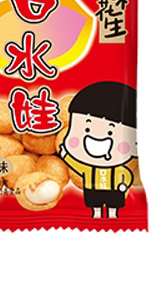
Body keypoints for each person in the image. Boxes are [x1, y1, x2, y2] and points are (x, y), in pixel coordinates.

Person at [59, 81, 138, 218]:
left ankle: (112, 214)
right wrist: (65, 155)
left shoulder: (118, 169)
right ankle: (96, 213)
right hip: (92, 190)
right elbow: (77, 165)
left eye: (110, 132)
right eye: (87, 129)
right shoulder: (88, 169)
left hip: (113, 190)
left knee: (114, 202)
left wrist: (123, 185)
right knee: (94, 202)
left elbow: (126, 175)